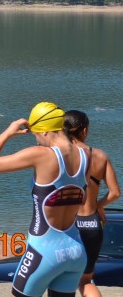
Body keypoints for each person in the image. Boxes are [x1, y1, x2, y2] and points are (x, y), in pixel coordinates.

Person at [0, 102, 87, 297]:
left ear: (46, 132)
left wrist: (8, 132)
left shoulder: (41, 154)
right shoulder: (85, 155)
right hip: (76, 251)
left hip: (44, 252)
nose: (37, 142)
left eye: (37, 135)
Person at [65, 109, 121, 297]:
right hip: (91, 224)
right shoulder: (100, 156)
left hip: (67, 225)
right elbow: (115, 193)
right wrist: (97, 206)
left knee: (60, 279)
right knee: (85, 281)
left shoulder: (57, 156)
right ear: (85, 131)